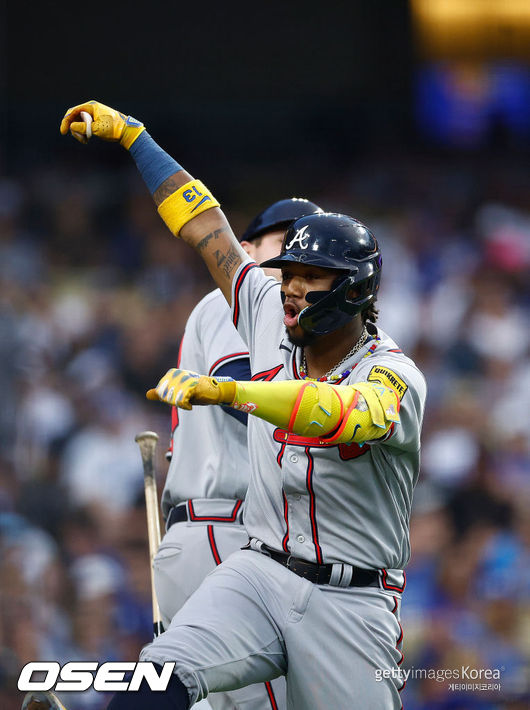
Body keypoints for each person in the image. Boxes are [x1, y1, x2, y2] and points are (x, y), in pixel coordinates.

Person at [23, 100, 427, 710]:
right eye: (287, 270)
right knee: (152, 683)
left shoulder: (394, 375)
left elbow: (340, 413)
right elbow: (207, 229)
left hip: (353, 601)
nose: (289, 287)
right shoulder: (270, 310)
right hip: (259, 571)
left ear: (353, 291)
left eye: (310, 277)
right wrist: (137, 140)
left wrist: (231, 390)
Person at [156, 197, 322, 710]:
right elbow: (236, 389)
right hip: (226, 530)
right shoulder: (243, 299)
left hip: (218, 532)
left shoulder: (287, 321)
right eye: (283, 246)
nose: (294, 267)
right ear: (246, 251)